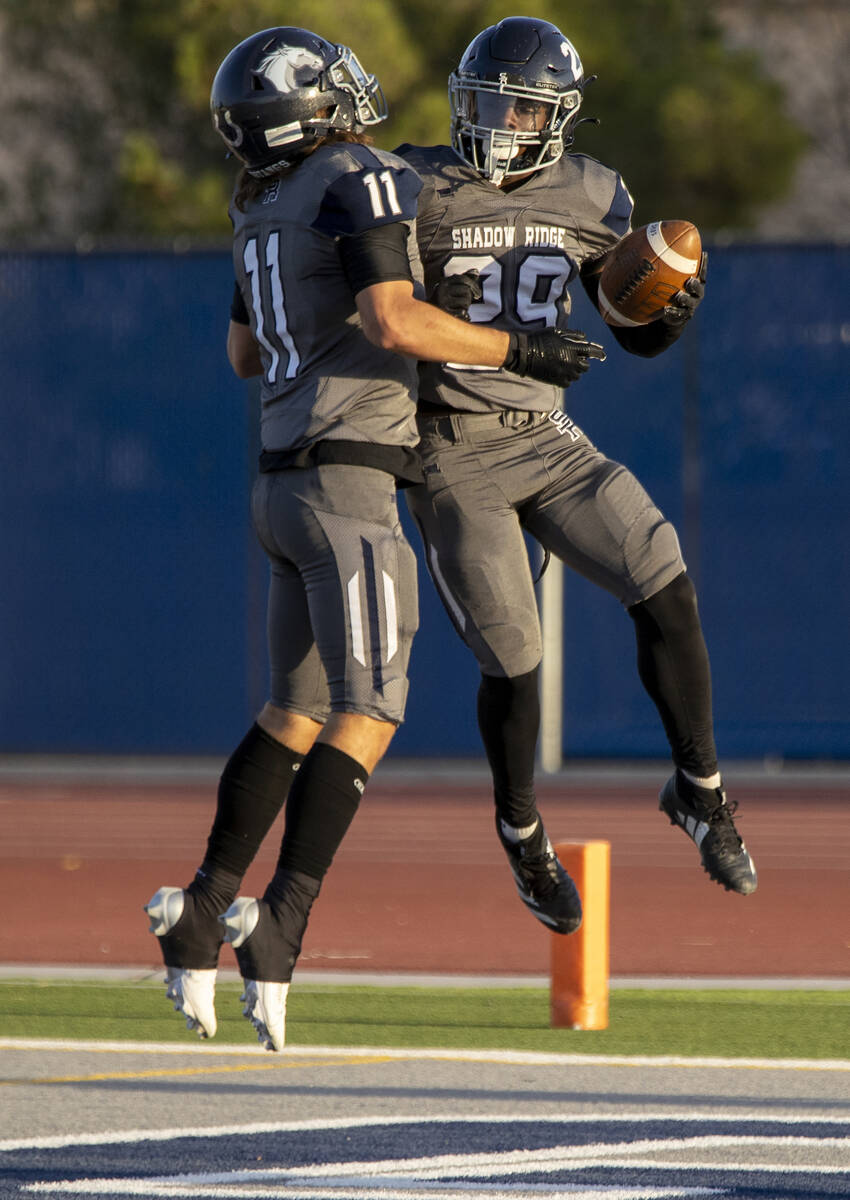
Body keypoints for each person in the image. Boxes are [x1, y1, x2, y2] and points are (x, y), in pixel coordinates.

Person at [145, 25, 593, 1052]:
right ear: (304, 110)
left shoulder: (258, 203)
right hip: (347, 481)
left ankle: (206, 909)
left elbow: (242, 351)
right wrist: (516, 346)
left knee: (294, 708)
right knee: (373, 708)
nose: (350, 100)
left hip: (277, 482)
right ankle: (282, 923)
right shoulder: (355, 175)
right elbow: (393, 321)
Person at [396, 16, 757, 934]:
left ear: (560, 116)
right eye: (484, 101)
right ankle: (523, 836)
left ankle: (702, 791)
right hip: (450, 443)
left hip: (548, 436)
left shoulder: (595, 196)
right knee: (515, 659)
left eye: (520, 105)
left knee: (663, 574)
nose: (499, 120)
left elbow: (626, 329)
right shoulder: (413, 187)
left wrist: (665, 315)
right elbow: (387, 313)